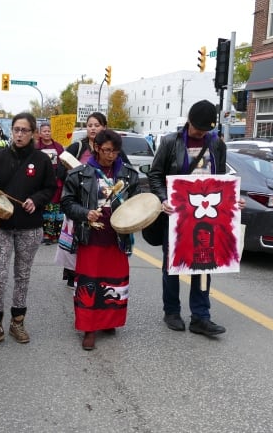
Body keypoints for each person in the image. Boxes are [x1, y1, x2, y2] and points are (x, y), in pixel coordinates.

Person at [147, 99, 243, 336]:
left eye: (205, 129)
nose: (201, 133)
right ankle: (171, 311)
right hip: (177, 215)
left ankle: (201, 316)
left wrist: (232, 200)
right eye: (198, 128)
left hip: (208, 215)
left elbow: (220, 179)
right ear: (189, 121)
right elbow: (156, 175)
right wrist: (163, 199)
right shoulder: (171, 142)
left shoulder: (216, 145)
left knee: (203, 263)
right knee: (173, 265)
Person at [0, 112, 56, 349]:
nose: (19, 134)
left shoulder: (41, 159)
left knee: (22, 275)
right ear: (11, 131)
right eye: (16, 129)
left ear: (33, 133)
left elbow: (50, 188)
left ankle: (17, 321)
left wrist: (37, 199)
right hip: (2, 225)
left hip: (30, 227)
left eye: (24, 130)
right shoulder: (0, 157)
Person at [61, 129, 141, 350]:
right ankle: (89, 328)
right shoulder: (80, 173)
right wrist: (85, 213)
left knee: (114, 282)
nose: (111, 155)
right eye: (106, 150)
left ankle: (109, 321)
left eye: (115, 151)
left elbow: (137, 203)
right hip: (91, 237)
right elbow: (67, 203)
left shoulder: (128, 174)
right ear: (96, 148)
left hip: (117, 237)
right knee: (89, 283)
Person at [35, 122, 65, 244]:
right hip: (42, 183)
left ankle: (56, 235)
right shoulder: (36, 147)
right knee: (46, 208)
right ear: (40, 133)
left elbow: (64, 163)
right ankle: (46, 234)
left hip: (57, 182)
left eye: (49, 131)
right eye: (44, 131)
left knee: (56, 209)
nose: (47, 133)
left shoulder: (58, 147)